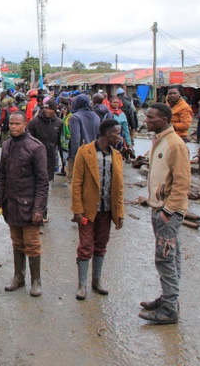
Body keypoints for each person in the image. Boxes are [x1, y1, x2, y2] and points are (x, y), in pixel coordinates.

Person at [139, 103, 190, 324]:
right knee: (171, 256)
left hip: (167, 212)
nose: (147, 120)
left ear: (165, 119)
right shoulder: (159, 139)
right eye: (146, 116)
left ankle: (169, 308)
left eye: (151, 118)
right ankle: (170, 298)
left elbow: (182, 182)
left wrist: (168, 211)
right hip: (159, 208)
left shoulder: (175, 145)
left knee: (165, 258)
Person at [70, 119, 125, 301]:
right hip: (87, 210)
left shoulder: (117, 155)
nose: (120, 136)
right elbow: (77, 182)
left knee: (101, 245)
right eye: (117, 133)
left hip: (107, 210)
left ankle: (97, 280)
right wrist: (77, 210)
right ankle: (82, 284)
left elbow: (120, 187)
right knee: (85, 246)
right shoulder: (85, 152)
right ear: (107, 134)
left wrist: (120, 213)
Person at [0, 112, 48, 296]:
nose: (13, 127)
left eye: (17, 124)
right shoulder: (6, 145)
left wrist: (39, 208)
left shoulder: (36, 147)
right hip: (11, 203)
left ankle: (36, 281)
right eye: (11, 124)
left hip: (30, 205)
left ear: (25, 124)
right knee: (17, 243)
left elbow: (43, 182)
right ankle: (19, 277)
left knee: (32, 243)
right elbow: (2, 175)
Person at [27, 100, 63, 187]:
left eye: (50, 108)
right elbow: (28, 141)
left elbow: (60, 143)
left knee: (47, 183)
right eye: (45, 108)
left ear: (54, 110)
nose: (47, 110)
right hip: (36, 158)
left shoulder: (59, 123)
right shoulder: (34, 122)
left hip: (50, 159)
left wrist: (63, 160)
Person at [67, 94, 100, 182]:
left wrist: (75, 157)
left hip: (80, 153)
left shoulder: (75, 117)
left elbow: (76, 138)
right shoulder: (96, 116)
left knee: (75, 182)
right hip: (92, 153)